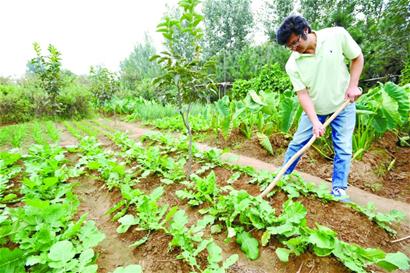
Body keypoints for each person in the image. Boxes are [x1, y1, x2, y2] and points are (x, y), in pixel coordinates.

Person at [276, 15, 364, 200]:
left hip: (343, 105)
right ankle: (282, 177)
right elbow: (302, 94)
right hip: (314, 110)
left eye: (295, 43)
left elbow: (357, 57)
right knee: (298, 143)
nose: (293, 49)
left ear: (305, 31)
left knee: (343, 147)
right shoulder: (292, 64)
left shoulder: (336, 35)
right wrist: (315, 121)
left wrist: (353, 85)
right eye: (289, 46)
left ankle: (339, 188)